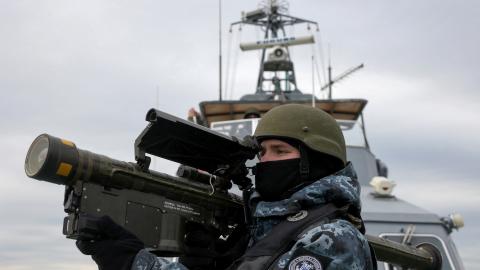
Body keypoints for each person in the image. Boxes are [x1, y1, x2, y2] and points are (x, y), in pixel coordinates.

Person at [77, 104, 375, 270]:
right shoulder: (266, 231)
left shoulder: (334, 237)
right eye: (262, 152)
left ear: (318, 162)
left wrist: (137, 264)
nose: (265, 161)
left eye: (280, 151)